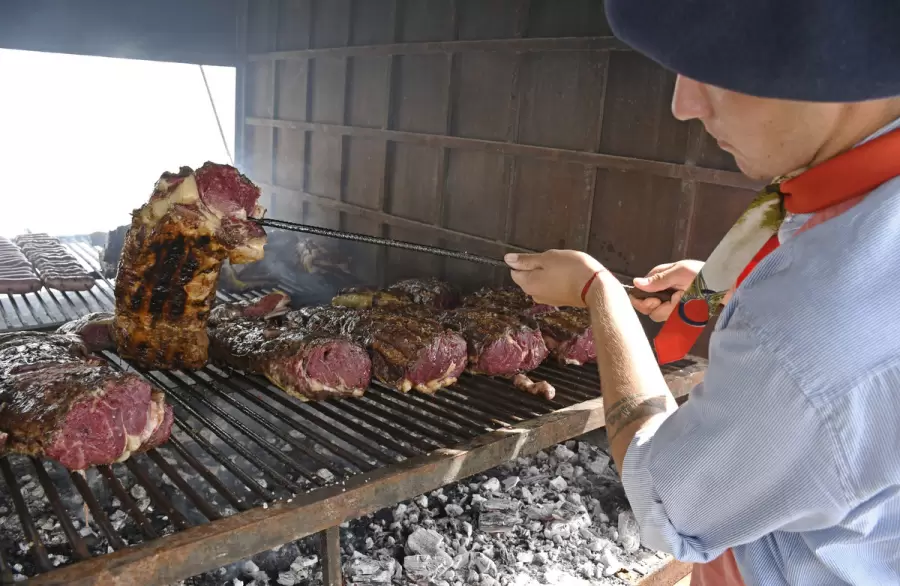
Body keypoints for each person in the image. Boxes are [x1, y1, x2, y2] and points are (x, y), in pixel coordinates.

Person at [505, 2, 900, 585]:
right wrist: (723, 291)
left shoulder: (812, 322)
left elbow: (669, 505)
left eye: (718, 65)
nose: (683, 104)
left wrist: (600, 293)